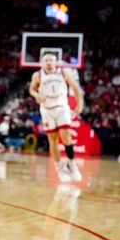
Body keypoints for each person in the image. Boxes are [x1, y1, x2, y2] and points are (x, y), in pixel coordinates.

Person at [29, 53, 84, 181]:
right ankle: (59, 168)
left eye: (51, 60)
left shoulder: (63, 73)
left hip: (62, 108)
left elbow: (76, 88)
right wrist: (36, 95)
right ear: (42, 62)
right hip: (47, 110)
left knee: (66, 136)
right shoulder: (37, 75)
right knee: (52, 139)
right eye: (46, 60)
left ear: (55, 62)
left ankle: (72, 163)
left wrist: (79, 104)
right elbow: (31, 89)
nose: (48, 62)